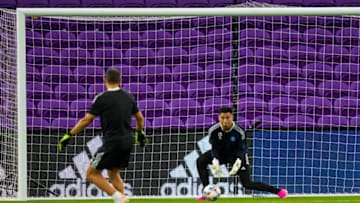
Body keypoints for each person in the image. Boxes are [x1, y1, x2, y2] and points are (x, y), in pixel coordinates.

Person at [58, 68, 148, 203]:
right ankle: (121, 200)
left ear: (105, 80)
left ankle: (119, 197)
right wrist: (140, 133)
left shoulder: (102, 98)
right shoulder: (128, 96)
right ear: (120, 81)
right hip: (127, 141)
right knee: (113, 174)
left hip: (112, 142)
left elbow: (86, 120)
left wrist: (70, 134)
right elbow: (140, 118)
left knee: (91, 173)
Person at [195, 106, 288, 200]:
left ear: (232, 117)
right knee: (200, 161)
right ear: (219, 118)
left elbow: (242, 149)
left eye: (227, 118)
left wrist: (239, 160)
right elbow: (214, 147)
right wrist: (215, 159)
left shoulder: (239, 131)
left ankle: (278, 191)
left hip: (237, 156)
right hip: (221, 154)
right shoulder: (213, 130)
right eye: (222, 118)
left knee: (247, 184)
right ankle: (206, 191)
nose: (225, 121)